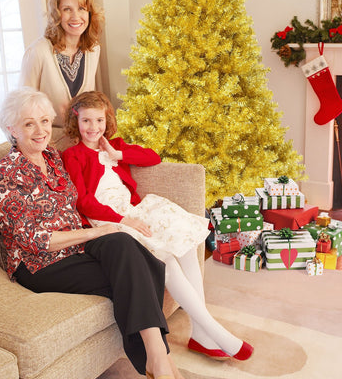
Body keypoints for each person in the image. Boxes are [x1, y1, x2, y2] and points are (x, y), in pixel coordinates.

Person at [0, 87, 182, 379]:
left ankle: (156, 359)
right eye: (29, 124)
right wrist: (93, 234)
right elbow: (36, 241)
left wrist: (107, 228)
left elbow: (80, 199)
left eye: (43, 121)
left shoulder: (52, 157)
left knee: (123, 243)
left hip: (76, 248)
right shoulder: (5, 174)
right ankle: (161, 360)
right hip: (40, 263)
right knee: (139, 269)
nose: (40, 130)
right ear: (11, 129)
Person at [62, 91, 254, 362]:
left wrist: (117, 152)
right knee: (165, 259)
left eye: (99, 120)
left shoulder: (114, 146)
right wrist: (124, 220)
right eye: (86, 121)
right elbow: (83, 201)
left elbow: (151, 157)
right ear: (76, 121)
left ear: (107, 120)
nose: (93, 128)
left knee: (185, 242)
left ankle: (200, 332)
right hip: (107, 220)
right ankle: (212, 330)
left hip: (132, 210)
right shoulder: (73, 155)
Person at [19, 0, 104, 134]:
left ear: (90, 13)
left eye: (81, 8)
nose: (76, 16)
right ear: (56, 14)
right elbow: (23, 107)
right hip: (47, 140)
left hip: (82, 139)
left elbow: (88, 103)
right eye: (67, 9)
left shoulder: (93, 49)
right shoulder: (38, 51)